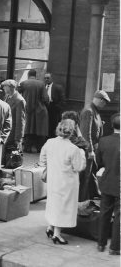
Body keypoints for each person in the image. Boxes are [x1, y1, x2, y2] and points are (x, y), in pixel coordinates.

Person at [39, 119, 86, 245]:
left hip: (53, 179)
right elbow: (78, 167)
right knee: (63, 206)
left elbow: (42, 160)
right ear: (72, 132)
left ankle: (50, 227)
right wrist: (82, 154)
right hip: (67, 182)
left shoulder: (49, 142)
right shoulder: (74, 149)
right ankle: (57, 234)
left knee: (53, 203)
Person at [96, 114, 120, 255]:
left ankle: (101, 244)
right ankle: (115, 248)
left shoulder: (103, 141)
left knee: (104, 214)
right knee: (119, 216)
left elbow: (99, 163)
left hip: (106, 182)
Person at [79, 90, 109, 201]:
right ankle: (82, 199)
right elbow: (86, 133)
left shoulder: (94, 110)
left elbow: (93, 128)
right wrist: (90, 150)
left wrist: (100, 125)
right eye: (104, 102)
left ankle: (94, 193)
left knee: (91, 172)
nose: (105, 105)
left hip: (93, 147)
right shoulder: (89, 111)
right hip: (89, 148)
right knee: (86, 174)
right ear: (100, 100)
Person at [20, 69, 49, 153]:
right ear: (36, 75)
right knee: (39, 130)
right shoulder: (41, 84)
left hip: (27, 110)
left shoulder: (24, 83)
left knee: (28, 129)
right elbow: (45, 98)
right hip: (39, 110)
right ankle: (39, 148)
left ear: (28, 75)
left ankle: (27, 148)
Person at [2, 79, 26, 154]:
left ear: (10, 87)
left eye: (5, 87)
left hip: (12, 134)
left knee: (11, 158)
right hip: (6, 132)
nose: (3, 88)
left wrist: (18, 139)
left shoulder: (19, 100)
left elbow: (20, 121)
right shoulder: (7, 97)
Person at [44, 73, 65, 139]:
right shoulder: (42, 87)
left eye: (48, 78)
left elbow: (63, 100)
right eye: (45, 78)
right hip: (44, 110)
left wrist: (56, 109)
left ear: (51, 78)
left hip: (54, 111)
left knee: (53, 128)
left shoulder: (58, 87)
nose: (46, 79)